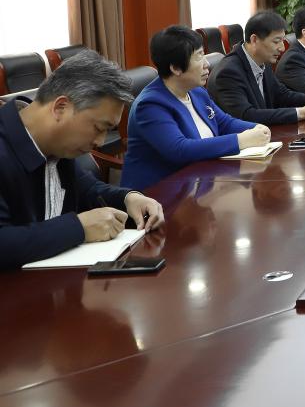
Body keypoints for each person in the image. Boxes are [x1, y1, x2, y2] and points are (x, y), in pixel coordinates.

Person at [0, 51, 165, 270]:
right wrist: (78, 228)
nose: (100, 141)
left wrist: (129, 198)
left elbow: (87, 189)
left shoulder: (57, 145)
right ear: (61, 107)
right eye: (98, 128)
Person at [122, 26, 270, 191]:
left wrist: (256, 128)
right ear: (175, 68)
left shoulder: (196, 91)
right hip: (159, 193)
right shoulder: (150, 105)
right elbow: (180, 150)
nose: (207, 64)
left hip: (200, 181)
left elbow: (224, 123)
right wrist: (241, 140)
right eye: (199, 57)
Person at [209, 10, 305, 125]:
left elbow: (281, 94)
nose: (282, 48)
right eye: (276, 41)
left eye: (283, 40)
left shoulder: (262, 60)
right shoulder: (228, 72)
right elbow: (246, 115)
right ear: (254, 40)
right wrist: (301, 113)